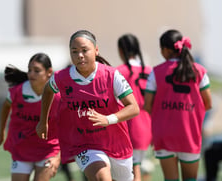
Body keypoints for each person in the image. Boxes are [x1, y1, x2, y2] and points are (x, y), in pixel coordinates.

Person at [36, 30, 140, 181]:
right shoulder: (61, 77)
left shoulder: (111, 75)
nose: (80, 55)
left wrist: (108, 119)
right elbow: (48, 90)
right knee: (101, 178)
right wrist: (42, 120)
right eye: (74, 51)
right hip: (84, 143)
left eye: (85, 50)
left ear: (96, 50)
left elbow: (133, 107)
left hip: (116, 143)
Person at [144, 29, 212, 181]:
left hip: (164, 134)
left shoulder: (156, 72)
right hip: (190, 134)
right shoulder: (200, 71)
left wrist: (162, 116)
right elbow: (207, 103)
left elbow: (147, 105)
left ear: (166, 50)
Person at [0, 53, 61, 181]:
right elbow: (6, 106)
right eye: (29, 70)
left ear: (49, 72)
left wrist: (58, 156)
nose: (31, 74)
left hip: (48, 149)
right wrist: (1, 132)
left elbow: (67, 126)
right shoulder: (18, 91)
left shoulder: (57, 96)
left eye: (37, 71)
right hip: (21, 147)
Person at [116, 33, 153, 181]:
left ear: (120, 50)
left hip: (128, 126)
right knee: (135, 166)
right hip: (146, 126)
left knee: (132, 169)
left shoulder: (119, 71)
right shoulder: (149, 71)